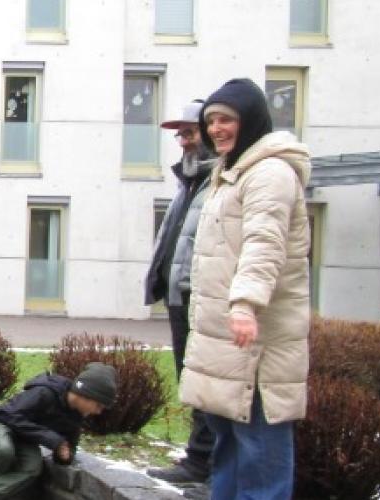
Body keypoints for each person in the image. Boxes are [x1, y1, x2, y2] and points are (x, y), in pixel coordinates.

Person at [181, 78, 311, 500]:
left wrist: (245, 304)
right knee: (229, 441)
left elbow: (264, 243)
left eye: (227, 120)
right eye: (211, 120)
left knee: (260, 446)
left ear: (251, 120)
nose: (216, 128)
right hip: (227, 342)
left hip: (256, 341)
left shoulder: (270, 173)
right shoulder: (230, 172)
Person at [143, 100, 219, 485]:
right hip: (180, 296)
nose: (183, 142)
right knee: (190, 379)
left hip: (202, 298)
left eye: (189, 133)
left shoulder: (219, 182)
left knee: (206, 380)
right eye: (181, 135)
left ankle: (205, 463)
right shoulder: (189, 182)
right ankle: (199, 459)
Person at [0, 363, 117, 500]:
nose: (98, 412)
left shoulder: (76, 416)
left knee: (33, 467)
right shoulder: (45, 392)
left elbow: (69, 447)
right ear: (85, 395)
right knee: (5, 451)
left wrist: (64, 455)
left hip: (26, 436)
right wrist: (52, 439)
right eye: (98, 406)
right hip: (3, 423)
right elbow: (9, 415)